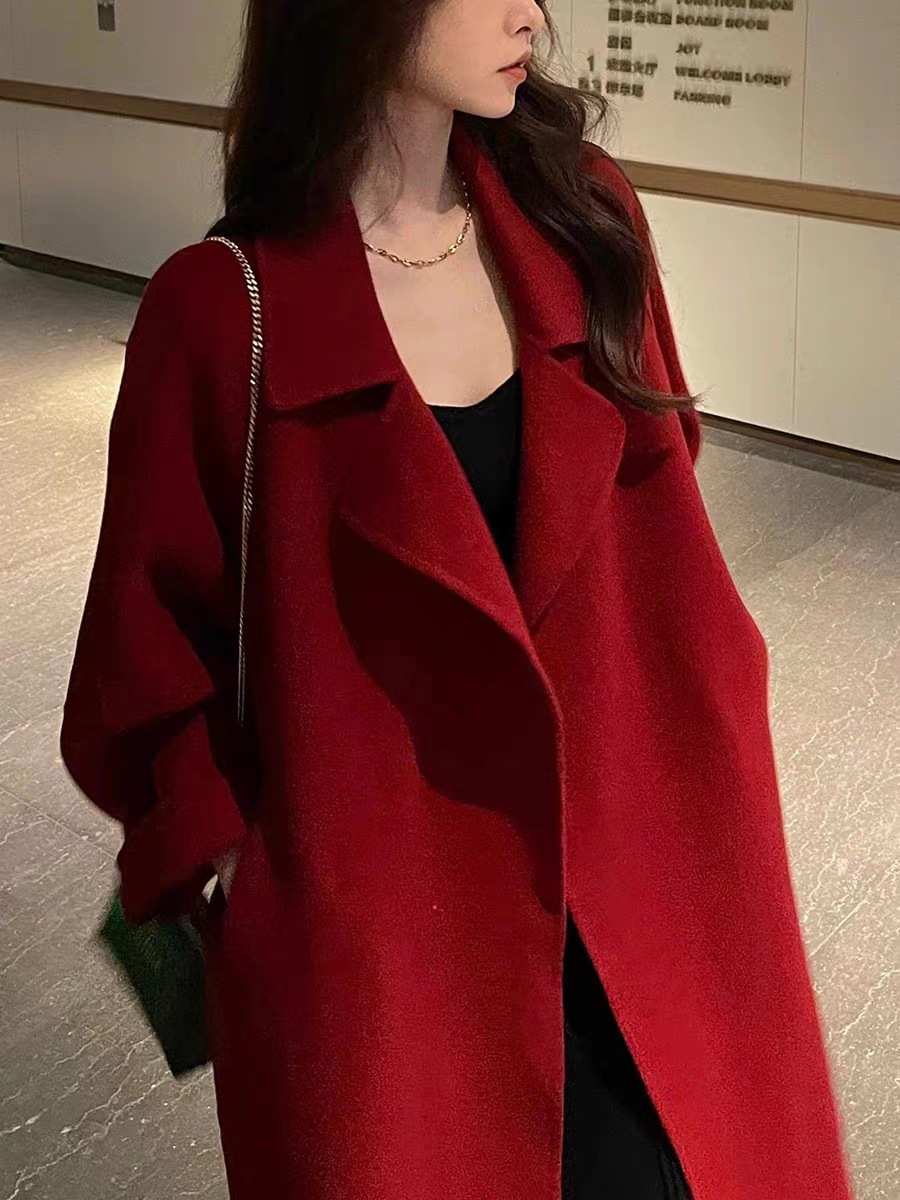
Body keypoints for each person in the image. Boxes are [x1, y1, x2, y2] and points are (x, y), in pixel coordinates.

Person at [60, 2, 855, 1198]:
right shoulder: (224, 312)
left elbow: (663, 509)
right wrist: (252, 870)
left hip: (650, 888)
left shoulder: (584, 220)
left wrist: (722, 703)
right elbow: (142, 661)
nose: (529, 11)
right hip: (397, 961)